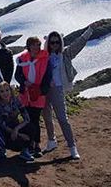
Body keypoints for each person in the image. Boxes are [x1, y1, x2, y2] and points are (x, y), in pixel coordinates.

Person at [42, 22, 100, 159]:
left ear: (60, 43)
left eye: (57, 42)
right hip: (44, 89)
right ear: (48, 43)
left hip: (57, 89)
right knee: (47, 116)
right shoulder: (43, 56)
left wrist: (90, 30)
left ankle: (72, 147)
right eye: (52, 42)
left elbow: (78, 44)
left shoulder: (66, 54)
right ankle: (51, 140)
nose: (54, 45)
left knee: (62, 118)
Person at [15, 37, 51, 158]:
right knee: (27, 119)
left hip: (38, 95)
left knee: (34, 119)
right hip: (25, 93)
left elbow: (47, 76)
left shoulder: (45, 58)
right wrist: (24, 82)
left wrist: (41, 90)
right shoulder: (22, 58)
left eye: (38, 45)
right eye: (33, 45)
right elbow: (17, 75)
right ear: (28, 46)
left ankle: (36, 145)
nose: (36, 47)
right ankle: (29, 144)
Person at [0, 82, 34, 161]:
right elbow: (2, 124)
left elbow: (26, 118)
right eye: (2, 91)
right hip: (6, 131)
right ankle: (1, 150)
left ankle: (24, 151)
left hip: (16, 126)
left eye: (7, 90)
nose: (5, 93)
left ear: (10, 91)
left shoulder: (17, 101)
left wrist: (17, 129)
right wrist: (19, 134)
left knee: (31, 128)